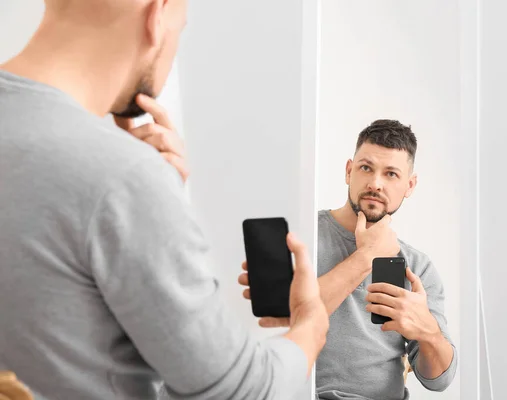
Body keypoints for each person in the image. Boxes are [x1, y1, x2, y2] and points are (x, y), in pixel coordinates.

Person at [0, 1, 328, 399]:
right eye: (181, 26)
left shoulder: (118, 178)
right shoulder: (123, 178)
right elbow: (240, 391)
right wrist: (310, 324)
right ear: (158, 15)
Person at [240, 119, 457, 400]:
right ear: (348, 171)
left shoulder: (417, 267)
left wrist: (428, 331)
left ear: (410, 185)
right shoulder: (301, 237)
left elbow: (439, 380)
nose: (375, 184)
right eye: (366, 168)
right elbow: (286, 319)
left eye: (391, 174)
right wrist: (366, 257)